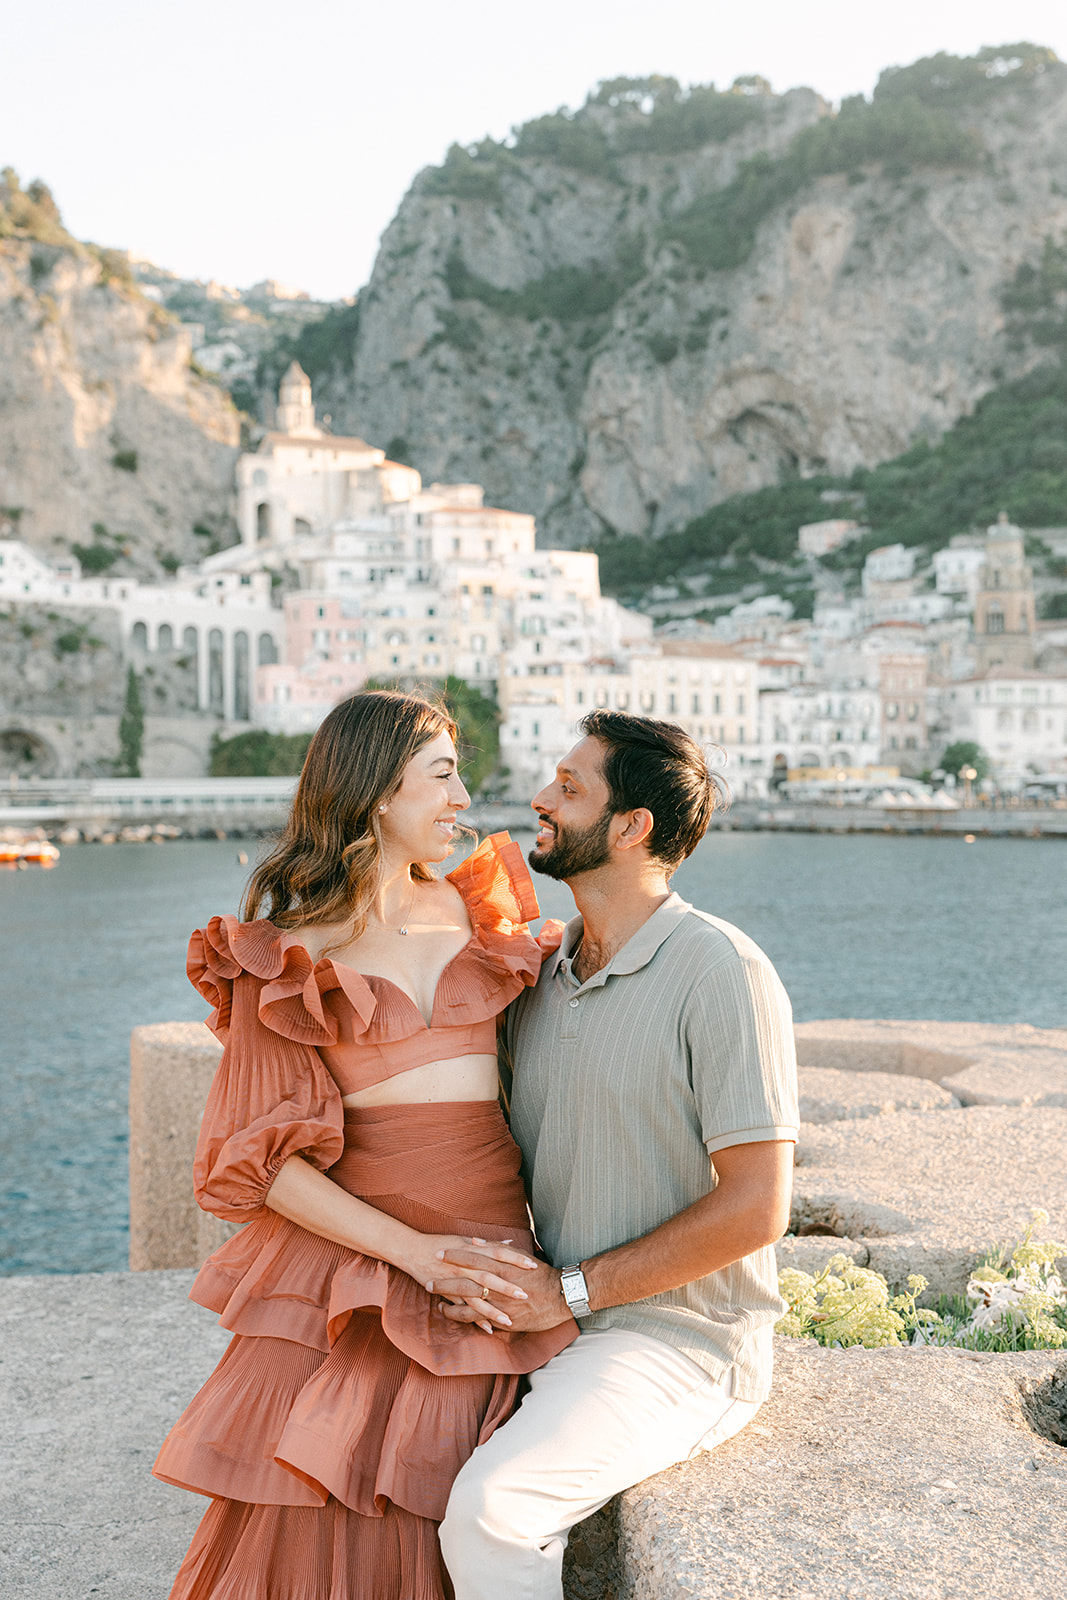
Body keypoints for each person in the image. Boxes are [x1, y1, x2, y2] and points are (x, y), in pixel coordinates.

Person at [153, 690, 576, 1600]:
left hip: (491, 1254)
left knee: (456, 1518)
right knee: (323, 1536)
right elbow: (259, 1163)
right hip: (363, 1265)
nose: (463, 796)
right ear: (379, 791)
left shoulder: (488, 914)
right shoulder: (284, 954)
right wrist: (416, 1257)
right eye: (441, 775)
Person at [431, 711, 800, 1600]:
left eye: (569, 787)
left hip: (677, 1340)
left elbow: (758, 1206)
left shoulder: (720, 969)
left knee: (494, 1510)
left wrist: (566, 1292)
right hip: (548, 1320)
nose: (538, 799)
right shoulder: (540, 971)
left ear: (631, 827)